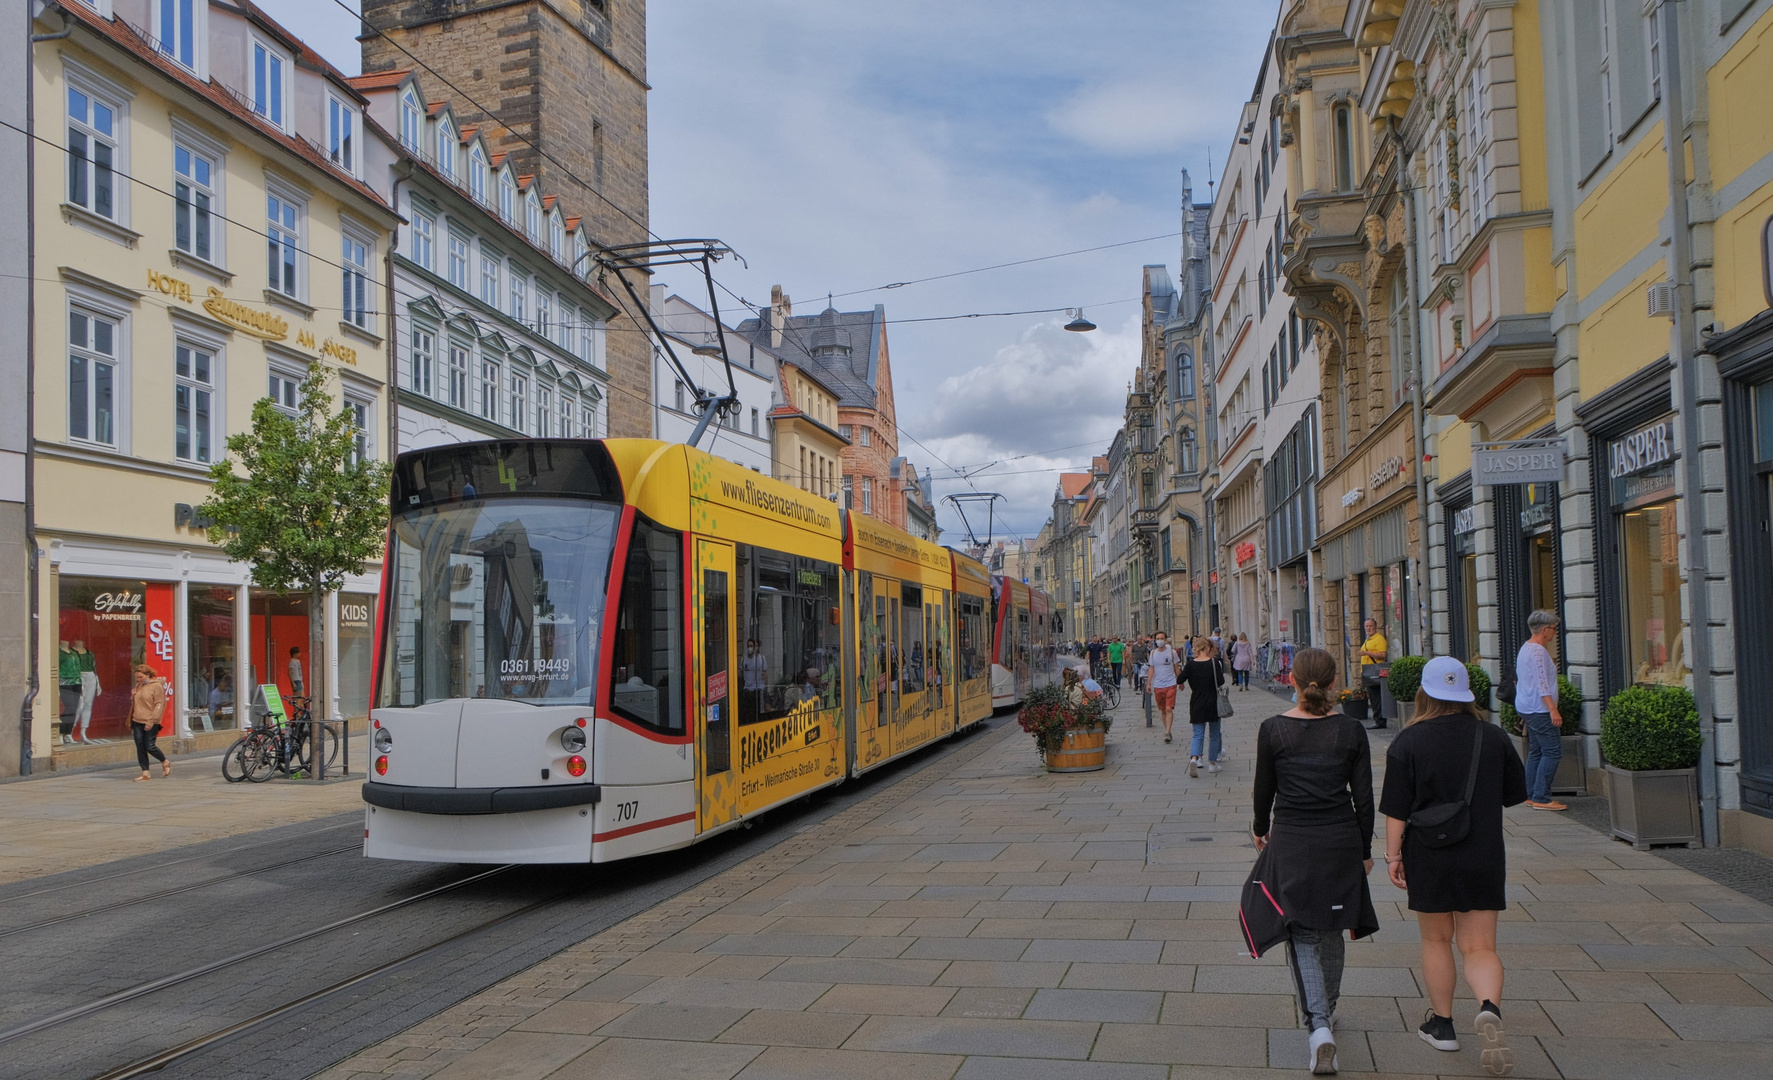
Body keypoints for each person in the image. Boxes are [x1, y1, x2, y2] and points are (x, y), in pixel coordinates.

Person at [1379, 656, 1528, 1077]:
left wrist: (1394, 857)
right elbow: (1513, 794)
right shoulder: (1493, 737)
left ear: (1424, 693)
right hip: (1482, 853)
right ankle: (1488, 1008)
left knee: (1436, 941)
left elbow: (1395, 810)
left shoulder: (1408, 742)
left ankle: (1443, 1026)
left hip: (1429, 852)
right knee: (1480, 947)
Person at [1251, 647, 1378, 1076]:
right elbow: (1364, 798)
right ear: (1333, 682)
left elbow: (1263, 791)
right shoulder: (1351, 730)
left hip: (1292, 839)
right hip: (1340, 839)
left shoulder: (1273, 730)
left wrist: (1258, 827)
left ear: (1292, 680)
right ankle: (1330, 1007)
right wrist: (1364, 850)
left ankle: (1319, 1026)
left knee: (1302, 932)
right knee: (1333, 926)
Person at [1514, 610, 1565, 811]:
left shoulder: (1526, 648)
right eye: (1553, 629)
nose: (1554, 633)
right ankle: (1542, 797)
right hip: (1540, 709)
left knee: (1536, 751)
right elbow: (1542, 683)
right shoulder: (1538, 652)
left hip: (1527, 706)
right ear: (1544, 630)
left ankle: (1530, 794)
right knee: (1552, 751)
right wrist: (1553, 709)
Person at [1181, 636, 1226, 778]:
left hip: (1196, 702)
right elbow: (1221, 681)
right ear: (1207, 648)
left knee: (1198, 734)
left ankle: (1195, 758)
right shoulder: (1214, 663)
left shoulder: (1190, 664)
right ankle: (1212, 764)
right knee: (1214, 734)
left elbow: (1179, 679)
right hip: (1213, 702)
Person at [129, 663, 171, 782]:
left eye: (141, 677)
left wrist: (151, 720)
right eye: (137, 677)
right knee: (140, 746)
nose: (138, 680)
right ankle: (145, 772)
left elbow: (159, 704)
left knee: (150, 746)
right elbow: (138, 702)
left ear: (148, 675)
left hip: (150, 720)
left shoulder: (156, 686)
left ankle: (165, 761)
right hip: (137, 719)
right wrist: (133, 697)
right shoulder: (139, 685)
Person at [1148, 631, 1182, 743]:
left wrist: (1180, 681)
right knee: (1162, 710)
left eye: (1162, 638)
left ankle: (1167, 732)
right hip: (1158, 685)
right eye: (1158, 638)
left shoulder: (1172, 652)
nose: (1160, 640)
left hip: (1171, 684)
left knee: (1168, 708)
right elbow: (1151, 669)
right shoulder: (1153, 653)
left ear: (1165, 639)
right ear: (1155, 640)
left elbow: (1176, 667)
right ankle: (1167, 729)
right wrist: (1149, 683)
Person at [1358, 618, 1388, 729]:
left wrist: (1366, 652)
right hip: (1368, 673)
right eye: (1366, 626)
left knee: (1377, 699)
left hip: (1375, 673)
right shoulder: (1368, 639)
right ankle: (1378, 719)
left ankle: (1380, 721)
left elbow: (1382, 655)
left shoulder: (1379, 639)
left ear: (1375, 627)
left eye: (1371, 626)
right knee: (1374, 698)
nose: (1368, 628)